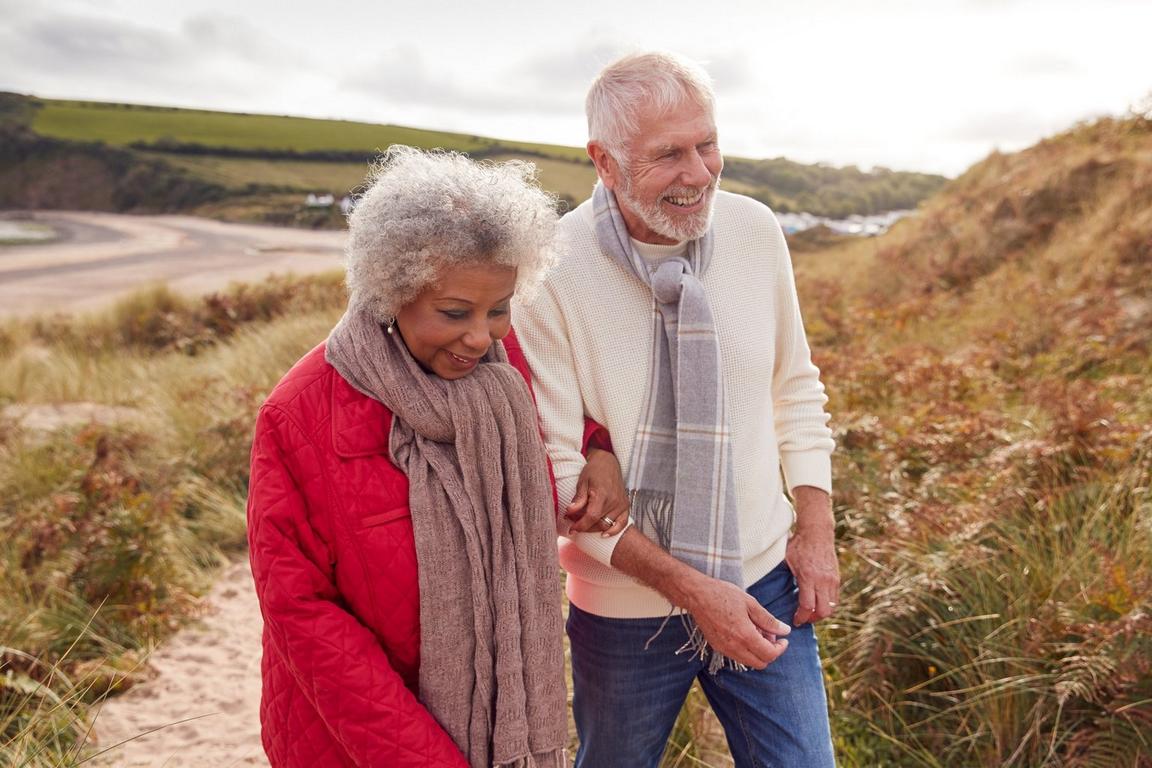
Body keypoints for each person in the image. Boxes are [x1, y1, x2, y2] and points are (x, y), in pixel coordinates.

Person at [246, 146, 625, 767]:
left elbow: (559, 418)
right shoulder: (300, 414)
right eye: (454, 313)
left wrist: (598, 450)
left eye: (499, 309)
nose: (481, 337)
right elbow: (302, 615)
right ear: (392, 292)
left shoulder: (500, 378)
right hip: (355, 745)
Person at [516, 52, 840, 767]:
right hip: (624, 609)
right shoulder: (548, 273)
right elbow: (562, 473)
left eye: (707, 144)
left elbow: (796, 387)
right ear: (605, 162)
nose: (699, 173)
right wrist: (694, 592)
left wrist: (815, 531)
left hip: (764, 580)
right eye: (668, 155)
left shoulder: (756, 233)